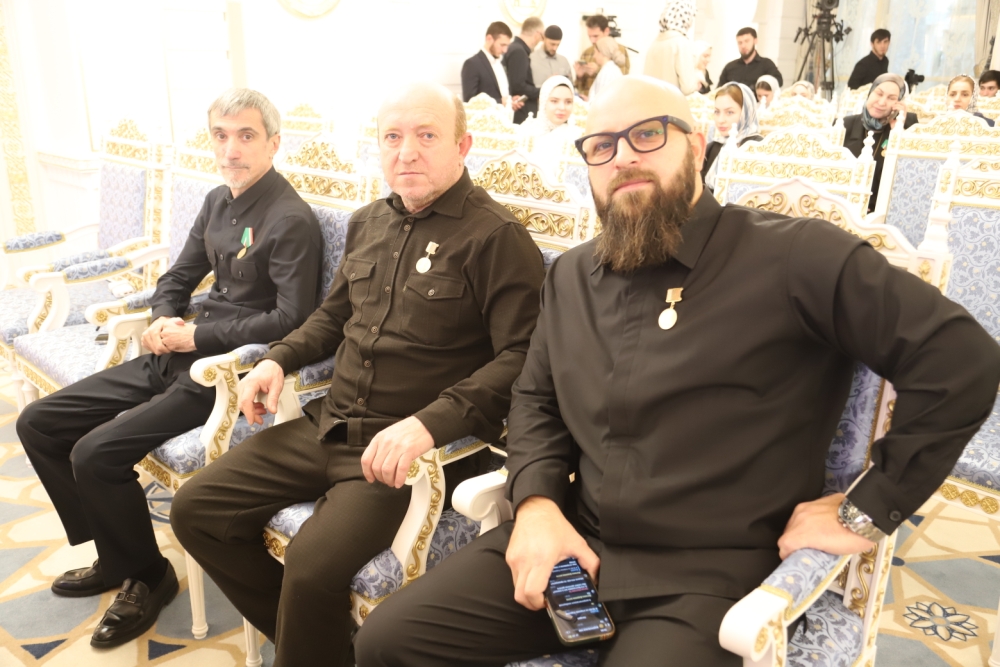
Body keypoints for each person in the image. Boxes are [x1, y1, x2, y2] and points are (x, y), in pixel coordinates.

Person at [353, 74, 1000, 667]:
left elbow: (961, 358)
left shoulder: (794, 256)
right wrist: (539, 505)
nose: (622, 158)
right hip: (574, 547)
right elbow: (535, 402)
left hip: (707, 576)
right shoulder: (573, 275)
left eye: (646, 135)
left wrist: (867, 508)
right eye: (601, 146)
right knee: (386, 642)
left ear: (696, 144)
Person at [171, 82, 546, 667]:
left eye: (426, 136)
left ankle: (311, 648)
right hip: (327, 425)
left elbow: (520, 359)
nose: (406, 152)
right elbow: (332, 316)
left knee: (310, 566)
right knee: (195, 509)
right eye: (392, 138)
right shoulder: (368, 221)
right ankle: (323, 649)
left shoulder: (496, 237)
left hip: (403, 456)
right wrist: (278, 358)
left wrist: (427, 425)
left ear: (462, 146)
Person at [15, 88, 322, 648]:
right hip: (174, 352)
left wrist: (197, 334)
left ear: (273, 143)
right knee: (39, 422)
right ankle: (117, 555)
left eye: (246, 136)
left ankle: (148, 576)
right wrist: (161, 316)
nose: (230, 149)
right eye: (220, 136)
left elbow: (290, 319)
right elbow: (179, 276)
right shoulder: (217, 200)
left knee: (94, 453)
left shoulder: (290, 217)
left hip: (224, 375)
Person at [842, 72, 918, 212]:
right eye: (879, 93)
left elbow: (908, 180)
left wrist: (899, 130)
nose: (882, 102)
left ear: (899, 102)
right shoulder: (845, 125)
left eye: (891, 98)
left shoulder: (907, 126)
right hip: (844, 207)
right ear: (870, 93)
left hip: (882, 211)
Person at [702, 82, 763, 190]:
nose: (720, 120)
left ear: (746, 112)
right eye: (717, 112)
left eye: (729, 112)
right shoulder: (713, 147)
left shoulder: (759, 148)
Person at [519, 76, 580, 175]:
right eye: (554, 101)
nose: (562, 107)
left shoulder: (575, 136)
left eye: (568, 102)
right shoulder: (527, 129)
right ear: (543, 101)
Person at [461, 21, 524, 115]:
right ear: (489, 39)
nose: (505, 50)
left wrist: (510, 101)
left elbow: (501, 92)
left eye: (507, 46)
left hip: (506, 119)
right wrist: (500, 102)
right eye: (502, 45)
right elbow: (470, 102)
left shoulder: (500, 62)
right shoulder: (472, 64)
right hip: (485, 121)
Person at [643, 0, 700, 95]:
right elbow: (688, 88)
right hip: (670, 101)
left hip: (650, 99)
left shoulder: (655, 42)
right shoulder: (681, 43)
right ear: (686, 17)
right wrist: (696, 83)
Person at [575, 14, 630, 100]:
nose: (592, 40)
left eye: (596, 36)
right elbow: (579, 88)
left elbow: (621, 82)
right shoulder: (586, 53)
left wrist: (597, 70)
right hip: (588, 103)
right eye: (590, 36)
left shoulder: (618, 50)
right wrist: (579, 76)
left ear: (606, 31)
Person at [503, 16, 544, 124]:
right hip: (521, 112)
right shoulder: (518, 51)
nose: (541, 40)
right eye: (542, 36)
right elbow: (518, 85)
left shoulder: (516, 48)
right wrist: (542, 91)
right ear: (537, 34)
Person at [718, 27, 783, 90]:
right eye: (740, 43)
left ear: (755, 41)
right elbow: (719, 89)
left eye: (747, 41)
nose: (743, 46)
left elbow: (778, 82)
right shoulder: (730, 67)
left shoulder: (766, 64)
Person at [589, 36, 625, 102]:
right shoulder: (611, 69)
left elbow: (601, 101)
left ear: (601, 52)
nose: (594, 56)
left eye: (595, 52)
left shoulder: (607, 72)